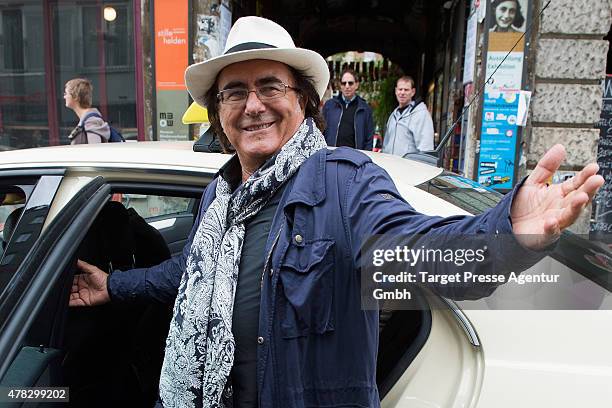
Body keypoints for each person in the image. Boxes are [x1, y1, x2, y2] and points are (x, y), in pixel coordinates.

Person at [69, 16, 604, 408]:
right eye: (235, 93)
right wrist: (114, 286)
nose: (253, 105)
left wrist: (507, 230)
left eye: (270, 86)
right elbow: (190, 273)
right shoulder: (220, 196)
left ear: (302, 100)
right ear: (219, 115)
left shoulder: (344, 184)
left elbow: (414, 253)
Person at [322, 69, 374, 149]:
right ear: (340, 85)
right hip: (332, 154)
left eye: (350, 83)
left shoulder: (365, 109)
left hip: (355, 156)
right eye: (344, 83)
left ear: (356, 85)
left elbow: (369, 138)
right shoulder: (329, 106)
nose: (347, 86)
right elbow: (321, 131)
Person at [382, 76, 434, 157]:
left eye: (406, 90)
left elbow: (426, 148)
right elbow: (385, 145)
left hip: (409, 167)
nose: (402, 93)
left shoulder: (421, 114)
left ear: (413, 92)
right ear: (396, 91)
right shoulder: (393, 116)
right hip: (390, 166)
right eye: (400, 89)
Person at [64, 78, 110, 144]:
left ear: (76, 96)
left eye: (66, 93)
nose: (64, 97)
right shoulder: (88, 120)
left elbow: (95, 150)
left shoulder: (91, 121)